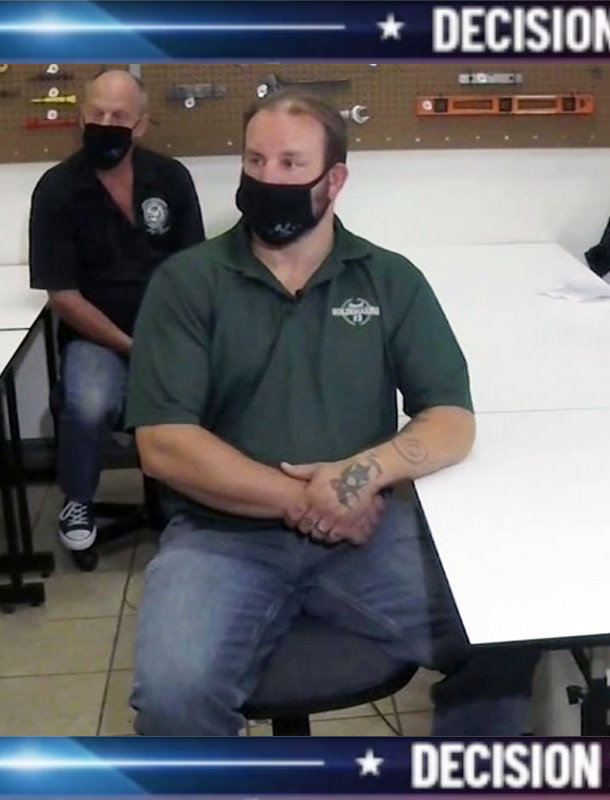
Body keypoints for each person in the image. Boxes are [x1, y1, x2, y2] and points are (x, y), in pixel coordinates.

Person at [124, 90, 537, 735]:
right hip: (221, 538)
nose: (268, 179)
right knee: (173, 697)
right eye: (255, 161)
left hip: (369, 531)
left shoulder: (389, 278)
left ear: (334, 180)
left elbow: (451, 418)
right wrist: (308, 500)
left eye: (291, 164)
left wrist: (360, 476)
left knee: (507, 631)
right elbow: (164, 444)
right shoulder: (187, 282)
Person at [28, 69, 205, 553]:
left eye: (118, 116)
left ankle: (198, 498)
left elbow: (196, 270)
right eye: (97, 113)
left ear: (141, 125)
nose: (105, 124)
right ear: (81, 116)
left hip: (171, 334)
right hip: (95, 336)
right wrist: (131, 346)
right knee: (87, 405)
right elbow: (63, 295)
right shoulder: (57, 189)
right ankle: (78, 499)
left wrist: (172, 342)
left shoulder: (171, 178)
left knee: (211, 395)